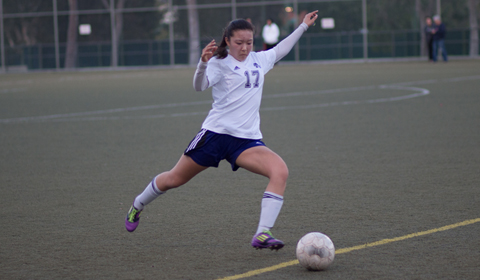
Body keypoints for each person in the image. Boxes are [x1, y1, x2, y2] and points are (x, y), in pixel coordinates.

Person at [125, 11, 319, 251]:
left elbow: (280, 49)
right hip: (214, 137)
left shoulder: (259, 60)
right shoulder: (218, 63)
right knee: (174, 179)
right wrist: (202, 63)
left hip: (245, 142)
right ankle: (137, 205)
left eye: (249, 43)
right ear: (227, 40)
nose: (245, 48)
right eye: (239, 43)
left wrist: (303, 27)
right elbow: (199, 87)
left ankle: (262, 233)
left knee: (280, 171)